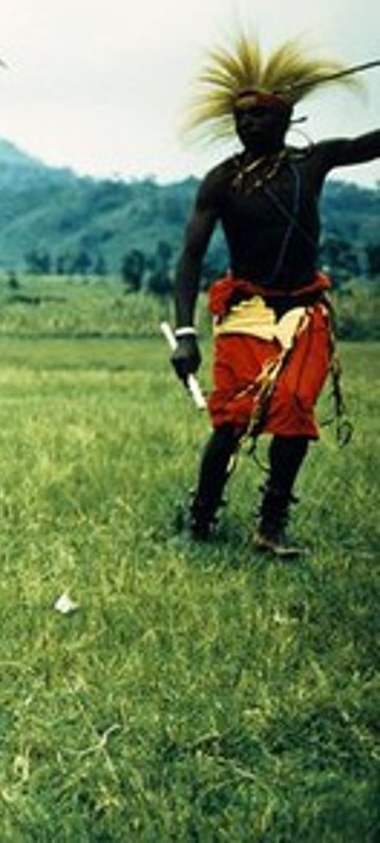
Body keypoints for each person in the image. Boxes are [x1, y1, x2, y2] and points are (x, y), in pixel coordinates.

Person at [169, 34, 379, 557]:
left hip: (304, 310)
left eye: (259, 115)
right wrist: (187, 333)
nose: (248, 124)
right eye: (241, 116)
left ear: (284, 117)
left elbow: (372, 144)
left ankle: (272, 524)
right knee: (232, 422)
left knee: (292, 409)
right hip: (247, 310)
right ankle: (200, 518)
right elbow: (191, 256)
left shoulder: (312, 164)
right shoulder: (221, 181)